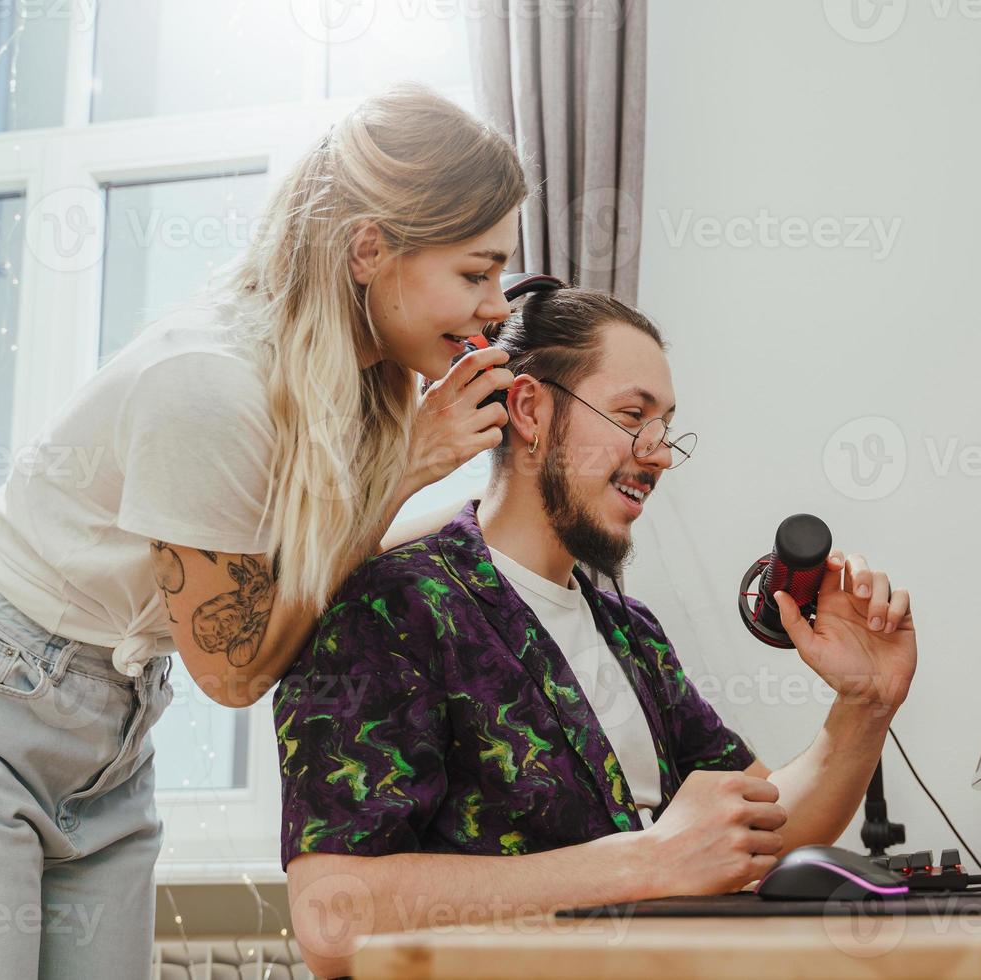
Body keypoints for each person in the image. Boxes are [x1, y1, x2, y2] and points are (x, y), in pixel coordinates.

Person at [0, 84, 527, 978]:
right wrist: (407, 470)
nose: (496, 309)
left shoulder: (366, 389)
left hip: (116, 730)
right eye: (474, 273)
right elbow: (239, 669)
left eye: (502, 277)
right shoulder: (211, 383)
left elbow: (327, 570)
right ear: (369, 248)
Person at [276, 287, 918, 977]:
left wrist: (865, 706)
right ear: (528, 409)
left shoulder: (629, 630)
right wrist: (649, 860)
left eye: (665, 425)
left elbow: (760, 830)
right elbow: (331, 917)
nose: (659, 452)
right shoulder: (395, 606)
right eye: (631, 414)